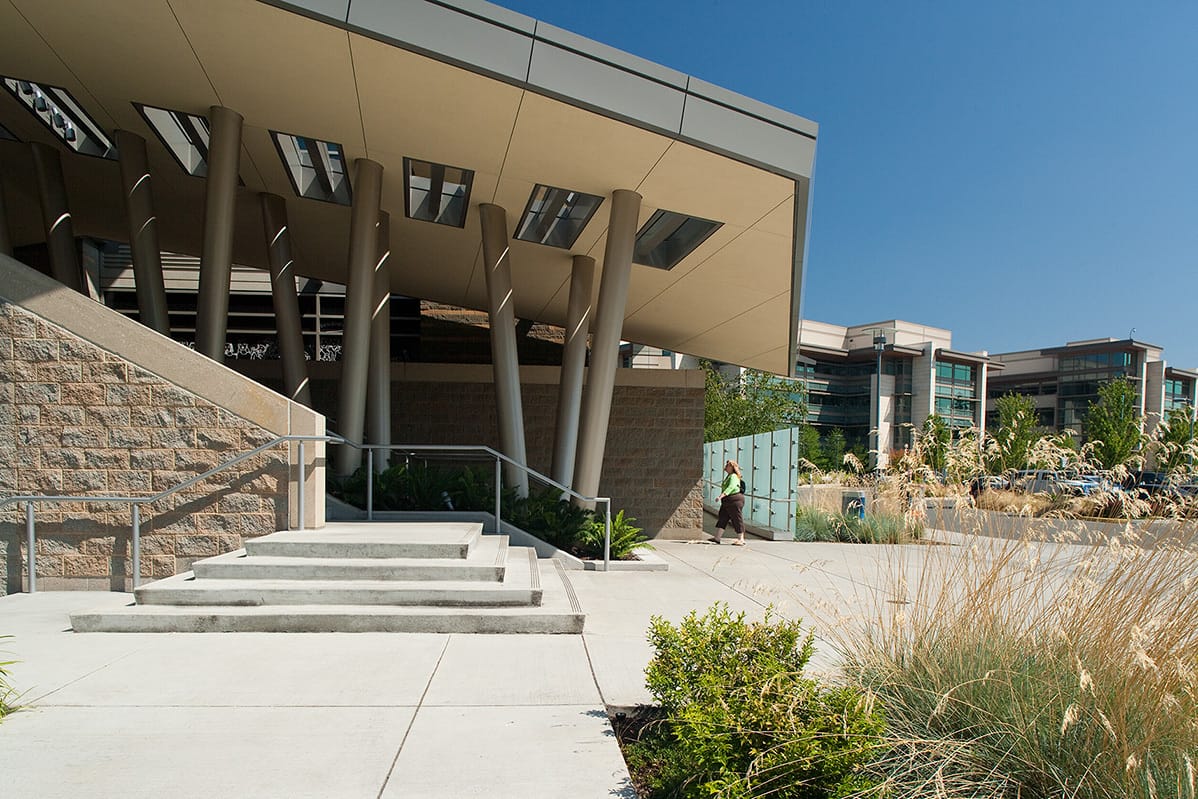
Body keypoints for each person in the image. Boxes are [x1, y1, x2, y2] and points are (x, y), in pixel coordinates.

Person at [712, 459, 746, 545]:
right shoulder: (729, 476)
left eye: (727, 465)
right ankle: (717, 538)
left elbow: (731, 487)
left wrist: (721, 496)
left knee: (736, 518)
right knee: (723, 517)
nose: (726, 467)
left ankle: (741, 539)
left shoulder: (733, 476)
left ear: (732, 467)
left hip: (734, 500)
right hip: (727, 501)